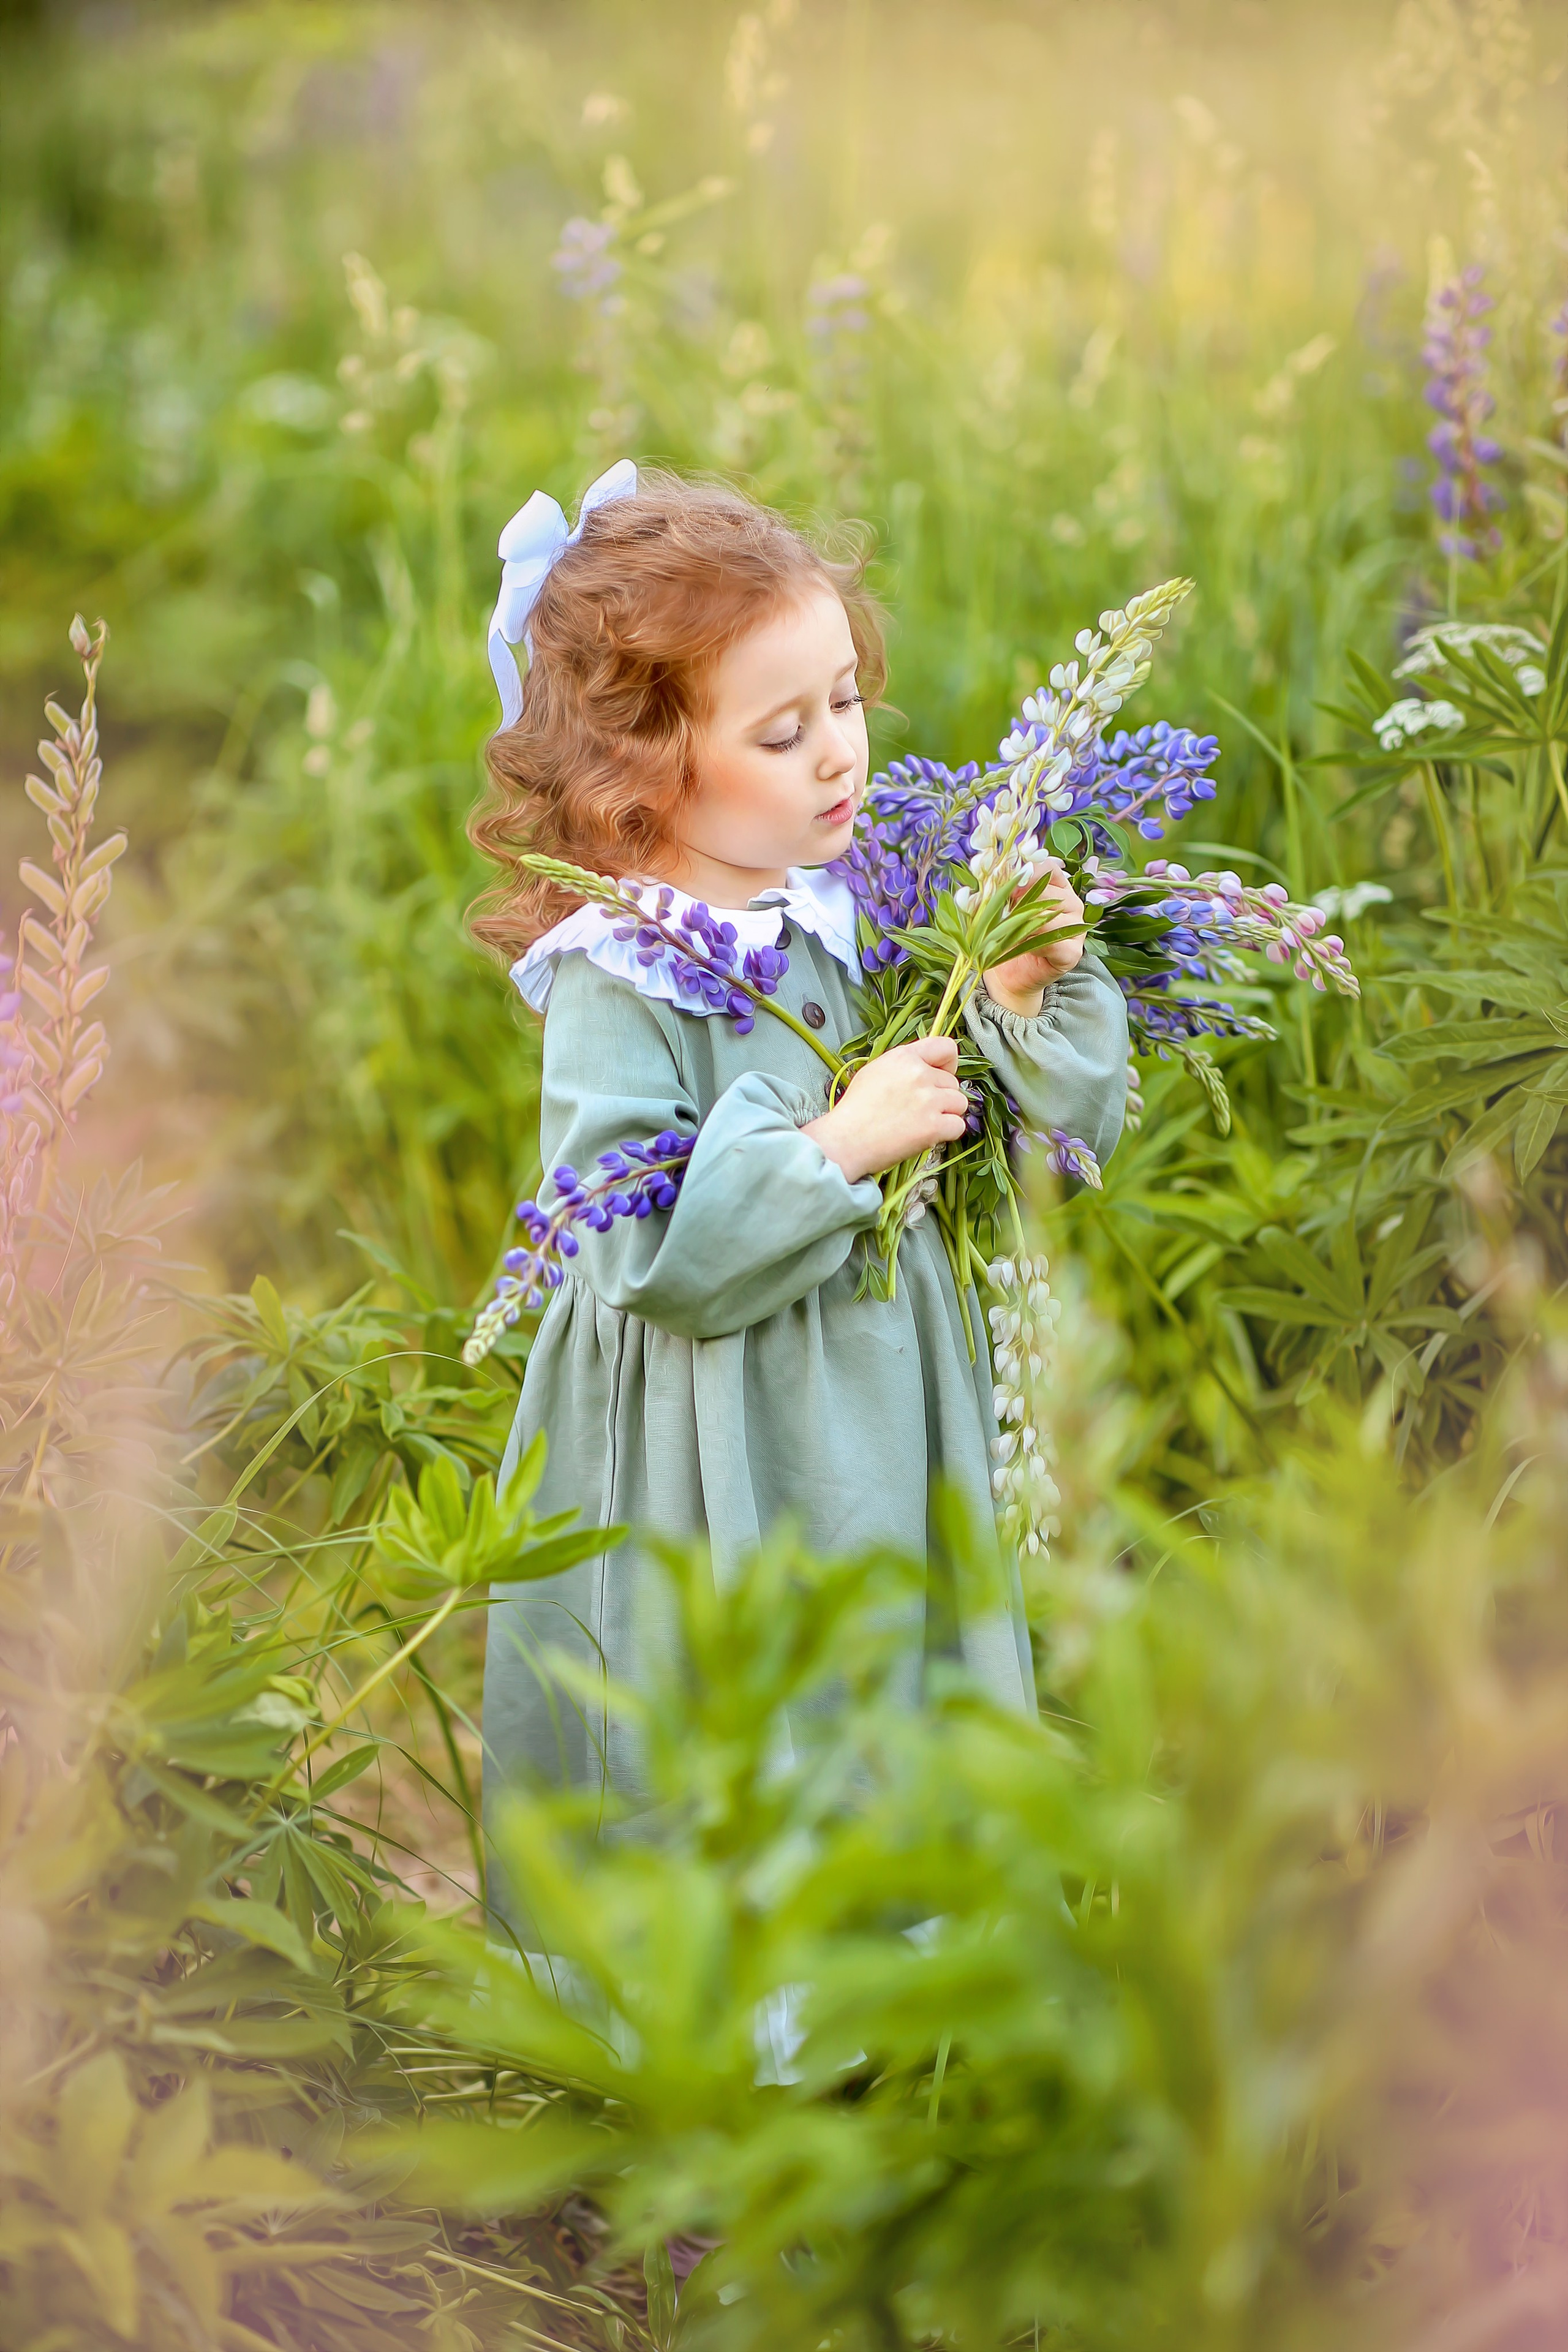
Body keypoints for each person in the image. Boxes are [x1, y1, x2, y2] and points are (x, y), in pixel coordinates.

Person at [469, 462, 1128, 1825]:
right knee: (740, 1697)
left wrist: (1013, 993)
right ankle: (736, 2002)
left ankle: (898, 1969)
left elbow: (1025, 1151)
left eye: (844, 700)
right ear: (642, 777)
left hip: (881, 1397)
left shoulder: (841, 904)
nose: (840, 751)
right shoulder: (619, 974)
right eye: (781, 733)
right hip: (710, 1435)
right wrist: (832, 1148)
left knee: (888, 1649)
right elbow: (636, 1243)